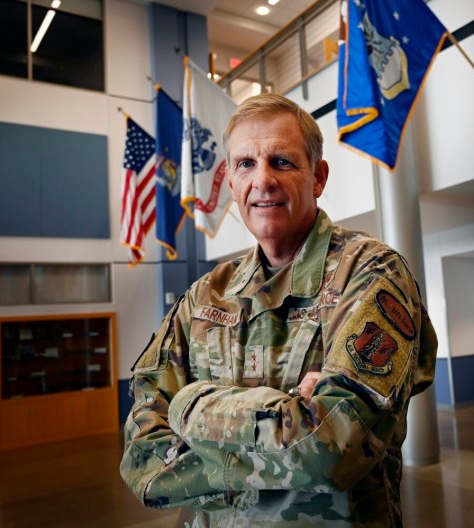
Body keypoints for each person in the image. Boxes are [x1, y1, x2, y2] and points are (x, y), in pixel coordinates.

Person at [120, 93, 438, 527]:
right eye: (245, 164)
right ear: (230, 181)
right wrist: (289, 417)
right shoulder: (205, 296)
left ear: (318, 177)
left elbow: (330, 449)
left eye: (282, 162)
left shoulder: (370, 274)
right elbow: (142, 460)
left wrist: (190, 405)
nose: (263, 179)